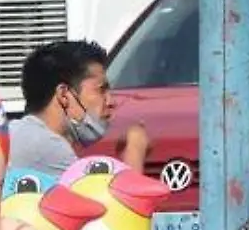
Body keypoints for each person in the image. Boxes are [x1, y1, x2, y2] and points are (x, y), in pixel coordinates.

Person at [10, 40, 148, 179]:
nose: (110, 102)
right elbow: (121, 199)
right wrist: (135, 148)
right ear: (64, 95)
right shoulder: (47, 147)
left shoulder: (21, 134)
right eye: (101, 90)